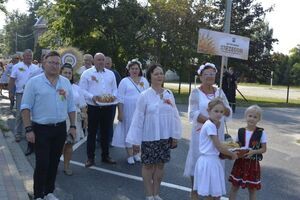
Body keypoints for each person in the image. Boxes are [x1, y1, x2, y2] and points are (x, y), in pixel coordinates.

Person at [21, 51, 76, 200]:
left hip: (59, 129)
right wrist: (28, 129)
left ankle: (49, 192)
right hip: (41, 129)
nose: (54, 65)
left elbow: (71, 106)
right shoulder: (34, 82)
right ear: (44, 63)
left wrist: (73, 126)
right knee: (42, 163)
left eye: (57, 63)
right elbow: (25, 107)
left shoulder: (65, 82)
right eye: (51, 62)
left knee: (54, 163)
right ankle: (38, 195)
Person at [126, 64, 182, 200]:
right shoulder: (144, 96)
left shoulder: (169, 94)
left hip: (165, 137)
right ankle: (149, 194)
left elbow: (175, 115)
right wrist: (135, 141)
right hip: (149, 137)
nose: (159, 76)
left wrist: (175, 135)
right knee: (148, 165)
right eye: (156, 74)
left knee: (160, 165)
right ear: (150, 75)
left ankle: (156, 193)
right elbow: (138, 119)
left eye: (161, 73)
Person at [183, 62, 232, 200]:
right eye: (207, 74)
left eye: (212, 74)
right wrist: (210, 122)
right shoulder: (195, 92)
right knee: (198, 173)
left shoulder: (220, 92)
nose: (210, 76)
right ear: (201, 76)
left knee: (214, 172)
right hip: (201, 135)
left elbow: (228, 112)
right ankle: (195, 195)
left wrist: (225, 108)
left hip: (218, 134)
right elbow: (192, 113)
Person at [193, 97, 238, 199]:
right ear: (209, 111)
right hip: (209, 162)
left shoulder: (212, 124)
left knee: (214, 194)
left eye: (221, 112)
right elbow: (219, 147)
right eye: (216, 111)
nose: (219, 114)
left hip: (211, 160)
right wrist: (232, 154)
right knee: (211, 194)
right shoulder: (210, 126)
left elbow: (216, 145)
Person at [79, 52, 118, 167]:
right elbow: (82, 90)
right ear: (94, 62)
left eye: (102, 60)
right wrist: (92, 97)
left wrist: (113, 96)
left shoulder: (110, 74)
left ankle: (105, 156)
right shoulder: (86, 74)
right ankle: (90, 158)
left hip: (108, 107)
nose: (101, 62)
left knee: (106, 133)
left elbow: (115, 89)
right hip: (93, 107)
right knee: (92, 133)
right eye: (98, 60)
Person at [112, 59, 149, 164]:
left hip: (141, 111)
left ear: (140, 69)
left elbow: (148, 96)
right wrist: (120, 112)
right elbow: (120, 98)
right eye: (132, 68)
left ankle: (137, 153)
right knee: (129, 131)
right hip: (128, 111)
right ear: (128, 70)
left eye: (136, 68)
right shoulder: (124, 81)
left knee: (139, 131)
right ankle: (129, 155)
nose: (134, 70)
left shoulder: (144, 81)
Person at [229, 105, 267, 200]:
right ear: (246, 116)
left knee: (252, 189)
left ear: (259, 119)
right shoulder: (240, 131)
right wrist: (231, 146)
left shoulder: (261, 132)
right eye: (250, 116)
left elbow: (264, 149)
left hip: (253, 164)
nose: (252, 119)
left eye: (255, 117)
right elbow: (236, 145)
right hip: (240, 162)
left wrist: (253, 151)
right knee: (234, 187)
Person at [8, 49, 42, 142]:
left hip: (33, 94)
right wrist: (10, 92)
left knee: (32, 114)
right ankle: (18, 134)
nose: (29, 57)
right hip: (21, 93)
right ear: (23, 57)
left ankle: (30, 134)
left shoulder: (36, 67)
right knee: (20, 113)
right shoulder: (17, 66)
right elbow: (12, 80)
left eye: (30, 56)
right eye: (27, 55)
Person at [60, 63, 87, 176]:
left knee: (69, 145)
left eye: (69, 73)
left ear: (72, 75)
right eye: (65, 72)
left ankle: (66, 166)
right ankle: (54, 166)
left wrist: (85, 119)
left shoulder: (77, 88)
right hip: (60, 119)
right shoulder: (56, 86)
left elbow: (83, 106)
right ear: (61, 72)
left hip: (73, 120)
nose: (67, 75)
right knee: (59, 145)